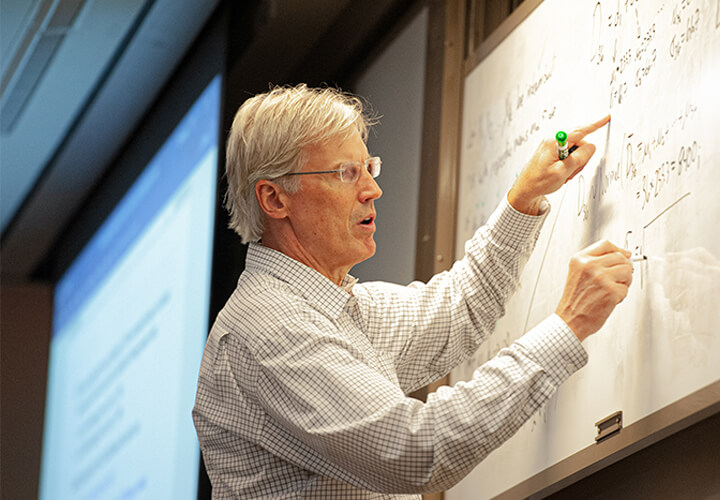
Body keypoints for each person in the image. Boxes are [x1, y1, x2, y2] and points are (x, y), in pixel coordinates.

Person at [192, 84, 632, 499]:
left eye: (368, 167)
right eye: (346, 173)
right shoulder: (268, 327)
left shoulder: (341, 305)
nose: (373, 189)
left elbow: (464, 304)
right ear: (274, 199)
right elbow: (417, 449)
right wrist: (568, 326)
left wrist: (525, 196)